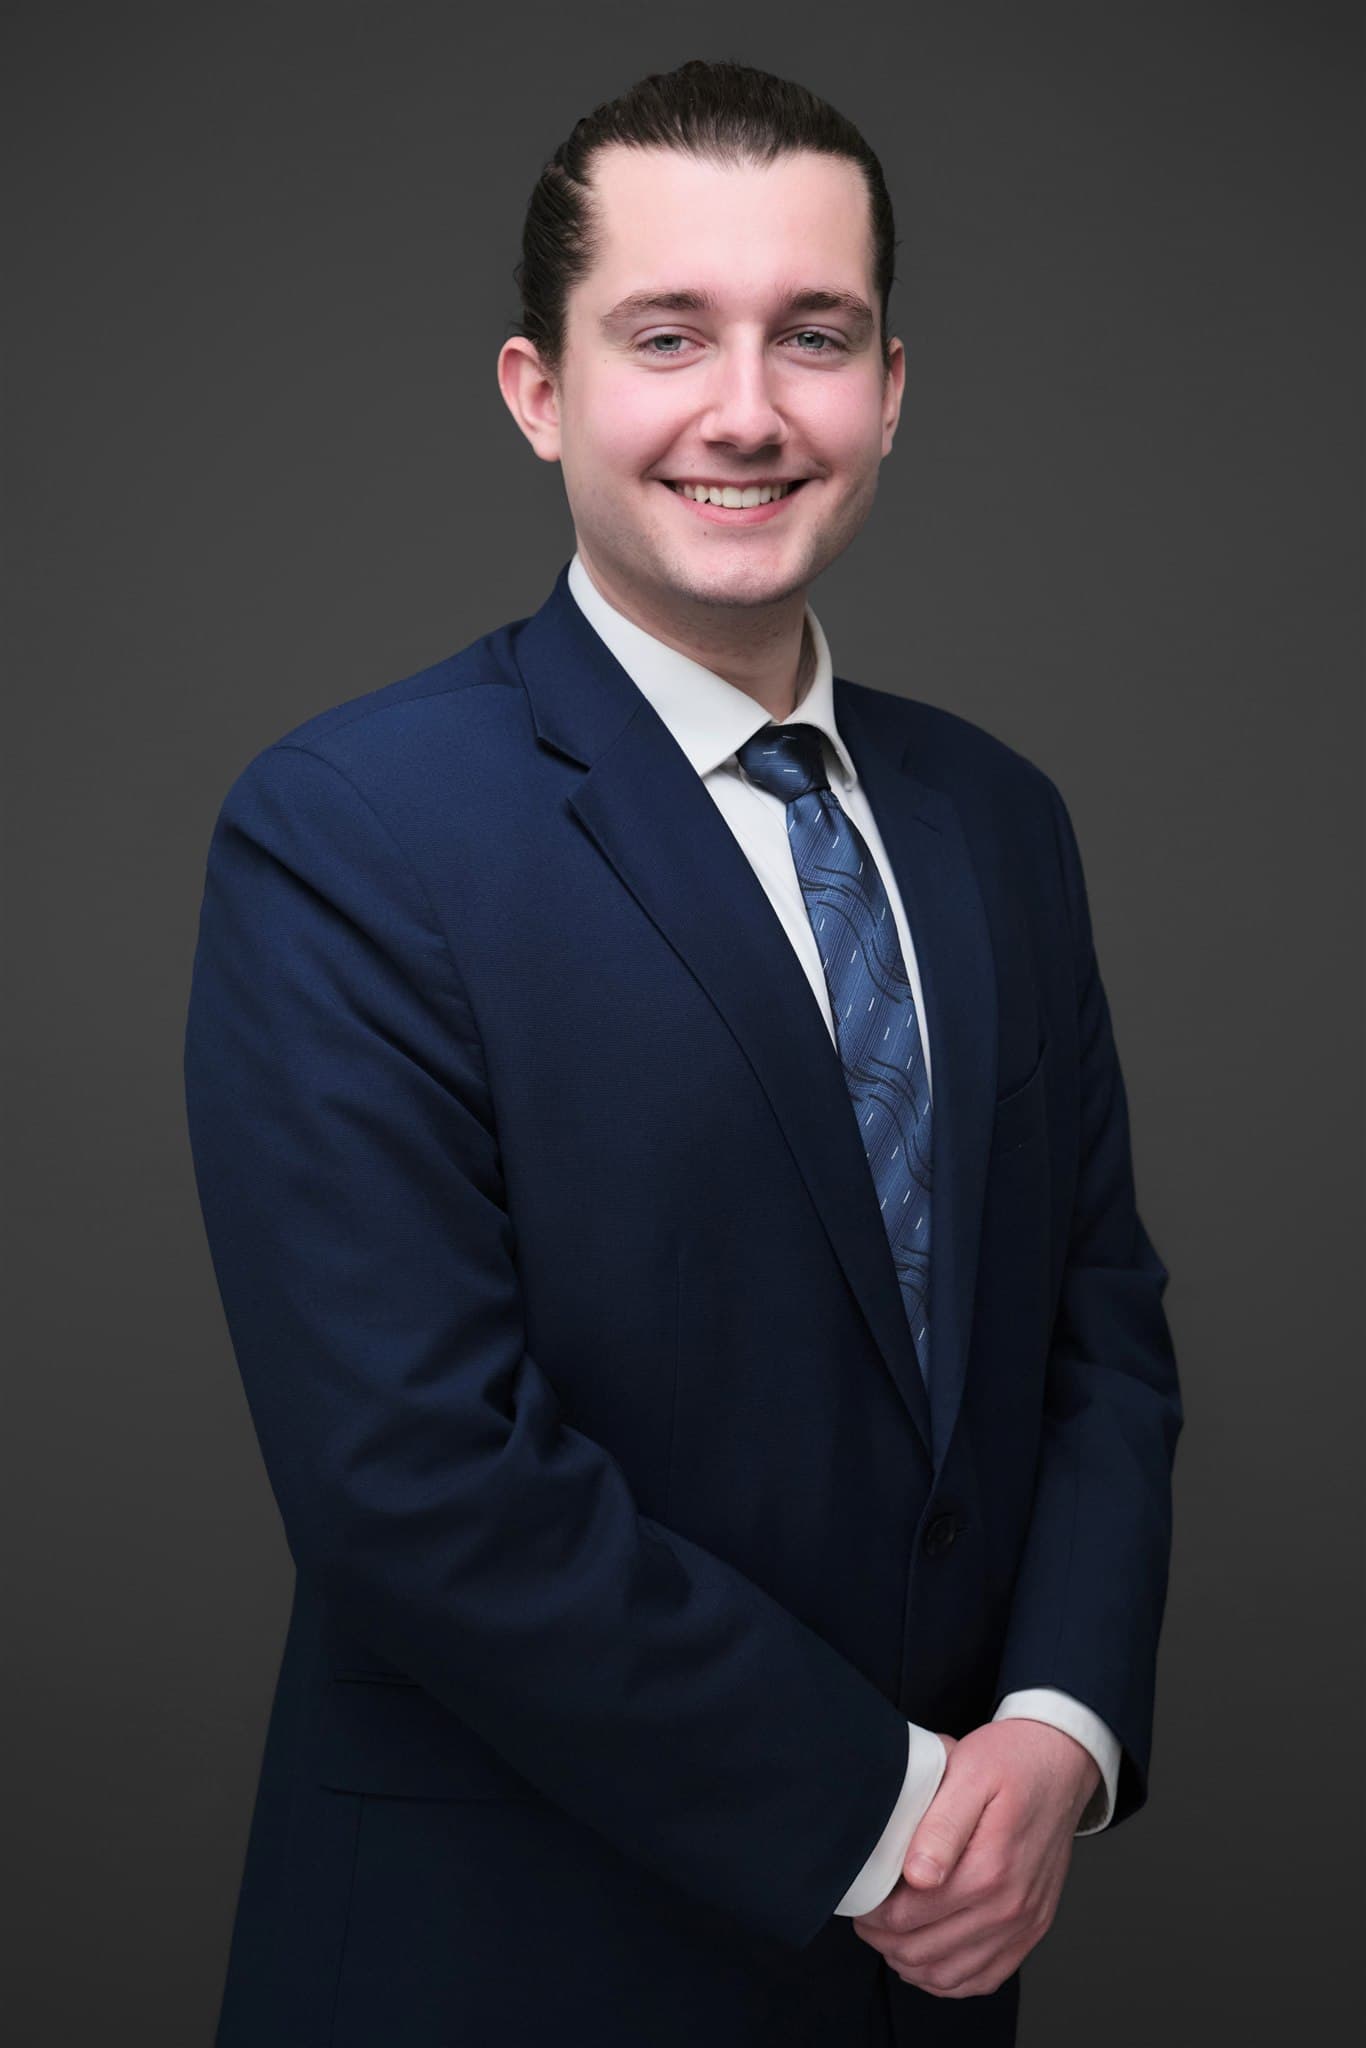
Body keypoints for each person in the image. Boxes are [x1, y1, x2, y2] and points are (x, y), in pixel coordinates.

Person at [183, 57, 1181, 2048]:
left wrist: (1054, 1734)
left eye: (808, 337)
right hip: (506, 1957)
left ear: (886, 386)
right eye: (666, 336)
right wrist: (886, 1805)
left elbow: (1096, 1329)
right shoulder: (351, 827)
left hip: (933, 1973)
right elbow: (412, 1470)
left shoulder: (995, 818)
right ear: (537, 391)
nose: (745, 409)